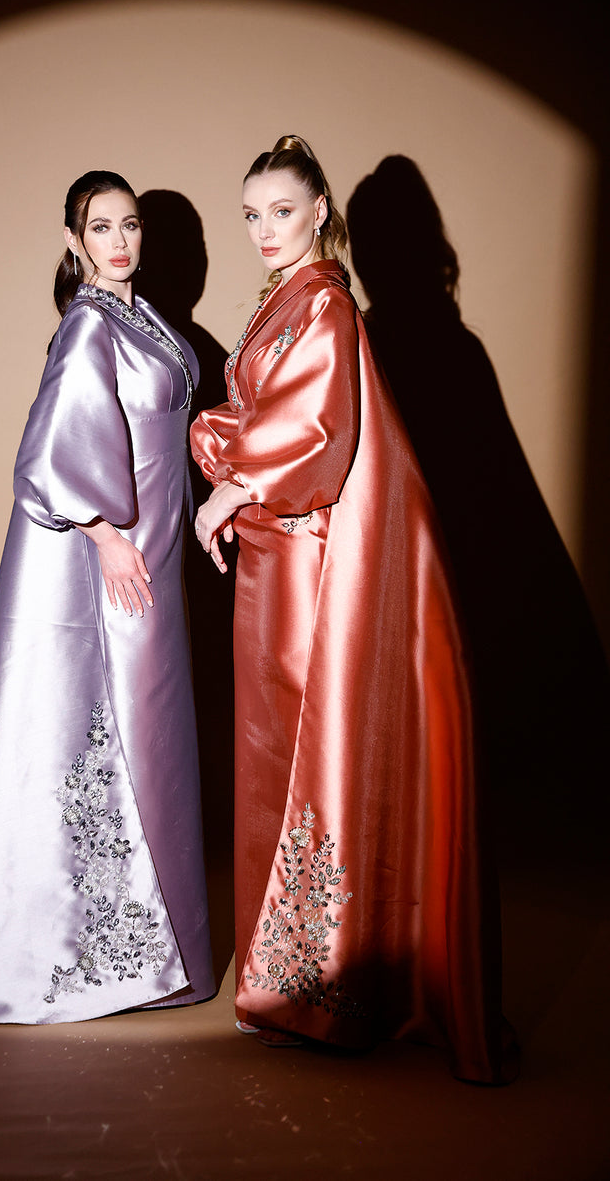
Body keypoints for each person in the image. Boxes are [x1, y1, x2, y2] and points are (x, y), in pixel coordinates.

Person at [190, 136, 517, 1083]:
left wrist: (227, 483)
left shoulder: (325, 305)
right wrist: (230, 455)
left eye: (280, 212)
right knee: (277, 753)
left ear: (319, 211)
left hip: (307, 561)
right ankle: (295, 973)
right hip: (275, 557)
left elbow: (315, 435)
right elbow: (261, 416)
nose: (263, 230)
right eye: (251, 215)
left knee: (312, 747)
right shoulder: (288, 300)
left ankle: (322, 985)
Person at [0, 170, 214, 1025]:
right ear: (75, 239)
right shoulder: (88, 324)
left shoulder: (145, 319)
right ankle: (116, 957)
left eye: (130, 225)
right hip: (116, 554)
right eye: (101, 227)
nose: (119, 241)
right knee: (119, 722)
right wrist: (105, 536)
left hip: (158, 546)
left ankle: (154, 950)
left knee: (152, 729)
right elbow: (49, 450)